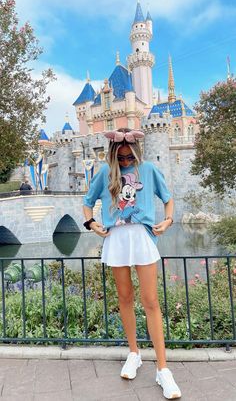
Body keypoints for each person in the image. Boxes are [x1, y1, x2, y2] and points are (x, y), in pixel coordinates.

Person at [83, 128, 181, 400]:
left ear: (136, 152)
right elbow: (87, 202)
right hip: (116, 238)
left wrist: (168, 220)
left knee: (151, 301)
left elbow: (168, 198)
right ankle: (134, 353)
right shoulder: (104, 173)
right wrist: (92, 224)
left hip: (142, 235)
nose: (126, 162)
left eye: (129, 157)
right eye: (121, 158)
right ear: (114, 155)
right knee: (125, 298)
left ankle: (163, 369)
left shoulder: (147, 169)